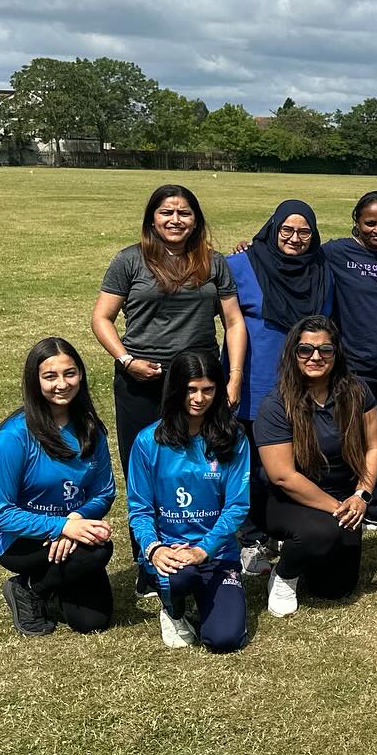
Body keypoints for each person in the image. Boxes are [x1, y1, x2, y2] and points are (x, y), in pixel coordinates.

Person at [92, 184, 246, 590]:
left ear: (196, 219)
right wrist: (126, 360)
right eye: (166, 212)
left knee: (205, 467)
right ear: (152, 219)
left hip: (199, 384)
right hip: (143, 383)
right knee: (145, 470)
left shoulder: (212, 263)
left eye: (184, 213)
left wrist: (233, 376)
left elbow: (233, 323)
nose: (176, 220)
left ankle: (208, 553)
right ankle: (149, 558)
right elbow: (102, 318)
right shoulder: (129, 261)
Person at [226, 200, 332, 574]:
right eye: (286, 229)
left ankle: (285, 527)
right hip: (253, 382)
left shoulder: (321, 269)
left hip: (304, 381)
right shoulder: (240, 265)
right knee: (249, 464)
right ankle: (250, 536)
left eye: (304, 231)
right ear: (272, 228)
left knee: (294, 460)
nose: (295, 238)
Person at [254, 315, 377, 617]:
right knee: (323, 531)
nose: (315, 356)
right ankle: (284, 574)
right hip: (283, 498)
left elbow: (374, 446)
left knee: (335, 588)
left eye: (326, 350)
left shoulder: (357, 391)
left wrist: (361, 496)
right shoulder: (276, 404)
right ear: (293, 353)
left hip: (342, 494)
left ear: (337, 354)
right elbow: (283, 476)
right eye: (306, 350)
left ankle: (312, 550)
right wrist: (340, 508)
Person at [0, 338, 115, 637]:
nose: (62, 384)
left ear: (81, 375)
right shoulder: (14, 436)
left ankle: (53, 582)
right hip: (18, 539)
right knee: (96, 551)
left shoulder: (90, 428)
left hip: (71, 530)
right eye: (50, 376)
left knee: (91, 623)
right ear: (35, 381)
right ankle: (27, 588)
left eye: (70, 373)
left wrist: (74, 521)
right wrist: (59, 527)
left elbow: (104, 492)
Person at [126, 352, 251, 652]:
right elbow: (140, 509)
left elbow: (237, 506)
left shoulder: (233, 438)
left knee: (224, 640)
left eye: (208, 390)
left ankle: (216, 596)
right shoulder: (148, 441)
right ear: (176, 390)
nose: (199, 398)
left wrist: (202, 549)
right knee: (180, 579)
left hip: (215, 553)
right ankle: (173, 609)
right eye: (191, 389)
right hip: (168, 552)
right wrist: (154, 549)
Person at [321, 192, 377, 524]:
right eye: (370, 223)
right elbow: (292, 253)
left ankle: (374, 503)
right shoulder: (335, 252)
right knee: (346, 435)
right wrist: (248, 247)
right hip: (351, 365)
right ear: (356, 221)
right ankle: (341, 497)